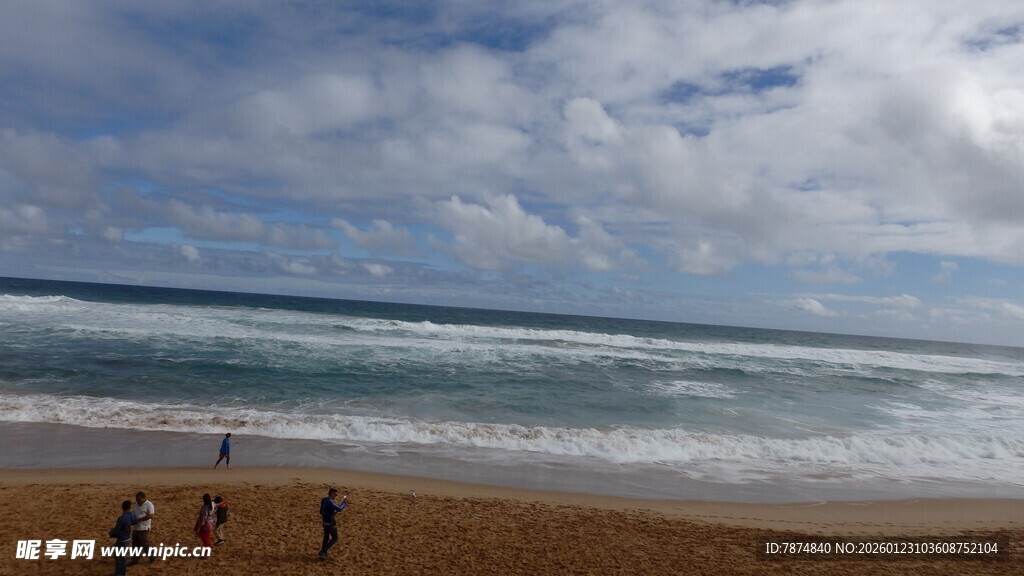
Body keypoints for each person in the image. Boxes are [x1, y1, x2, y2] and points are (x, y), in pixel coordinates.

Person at [317, 488, 347, 560]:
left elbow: (321, 511)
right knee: (335, 538)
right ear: (332, 493)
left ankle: (324, 553)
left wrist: (331, 513)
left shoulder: (324, 500)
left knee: (326, 537)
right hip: (330, 523)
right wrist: (344, 502)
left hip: (325, 522)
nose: (336, 496)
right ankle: (323, 551)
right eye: (335, 494)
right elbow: (339, 509)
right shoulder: (330, 501)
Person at [108, 500, 136, 576]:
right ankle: (118, 573)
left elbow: (117, 530)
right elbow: (134, 522)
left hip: (122, 540)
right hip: (128, 538)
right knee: (118, 556)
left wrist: (111, 533)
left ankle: (120, 573)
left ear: (122, 507)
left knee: (120, 558)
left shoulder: (121, 518)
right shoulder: (132, 515)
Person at [128, 491, 156, 565]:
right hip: (136, 527)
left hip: (144, 527)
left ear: (143, 498)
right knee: (135, 545)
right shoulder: (136, 505)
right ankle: (135, 559)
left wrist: (140, 519)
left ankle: (152, 557)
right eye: (136, 499)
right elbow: (134, 513)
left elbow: (151, 515)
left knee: (144, 544)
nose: (137, 501)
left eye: (139, 499)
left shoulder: (149, 504)